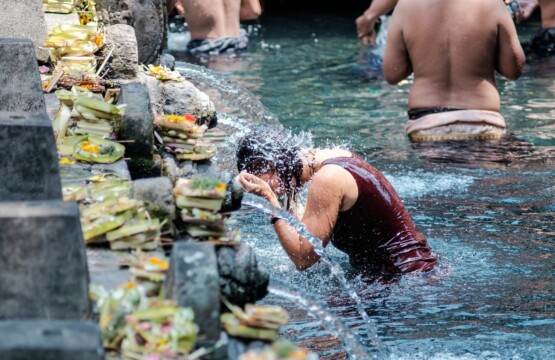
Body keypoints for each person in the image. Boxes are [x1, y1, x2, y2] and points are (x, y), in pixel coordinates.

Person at [236, 132, 438, 275]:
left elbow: (303, 259)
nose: (269, 188)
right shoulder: (331, 157)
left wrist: (270, 202)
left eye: (262, 178)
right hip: (413, 270)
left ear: (274, 164)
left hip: (406, 279)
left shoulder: (327, 179)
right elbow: (304, 230)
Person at [383, 0, 526, 142]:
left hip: (426, 125)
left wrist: (419, 55)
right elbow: (513, 71)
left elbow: (392, 74)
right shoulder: (492, 4)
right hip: (483, 124)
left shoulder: (406, 5)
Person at [168, 0, 262, 56]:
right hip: (239, 44)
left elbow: (163, 11)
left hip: (206, 51)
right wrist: (228, 16)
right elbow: (253, 11)